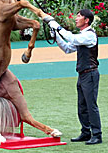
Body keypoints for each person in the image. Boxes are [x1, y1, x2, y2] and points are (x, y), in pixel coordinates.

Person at [43, 9, 102, 145]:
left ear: (86, 20)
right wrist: (56, 35)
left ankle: (97, 135)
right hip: (83, 75)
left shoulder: (89, 35)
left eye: (79, 16)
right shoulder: (83, 36)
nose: (76, 18)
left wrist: (56, 25)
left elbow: (72, 39)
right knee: (82, 106)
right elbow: (67, 48)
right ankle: (86, 133)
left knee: (91, 105)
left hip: (90, 74)